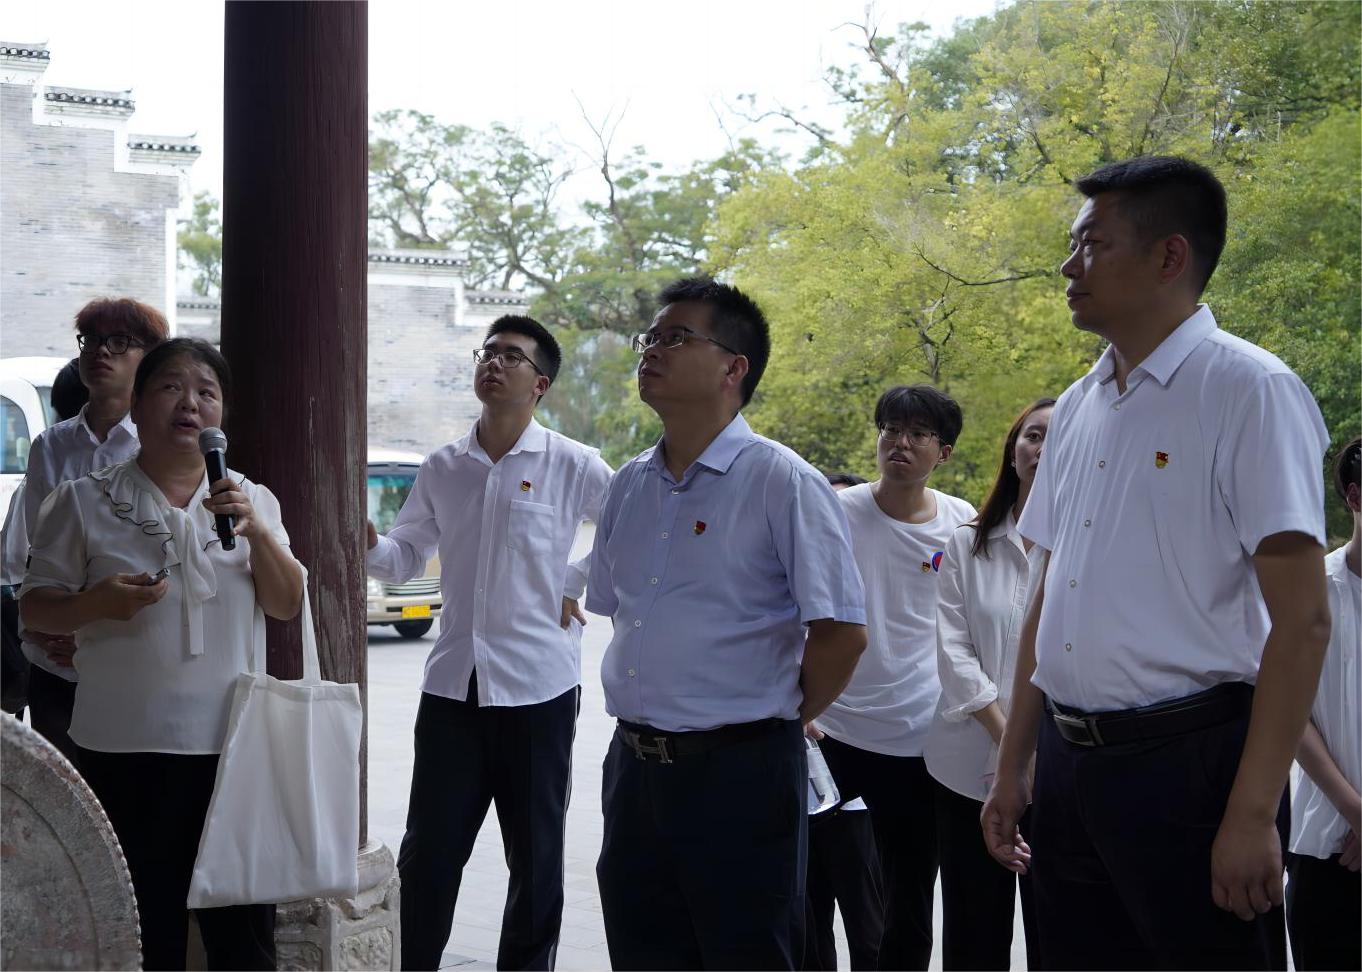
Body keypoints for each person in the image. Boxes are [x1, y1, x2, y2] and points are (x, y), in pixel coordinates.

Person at [981, 156, 1332, 970]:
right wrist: (1013, 766)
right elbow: (1050, 596)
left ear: (1170, 256)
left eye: (1091, 244)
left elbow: (1305, 622)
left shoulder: (1250, 390)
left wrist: (1252, 813)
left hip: (1191, 768)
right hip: (1068, 765)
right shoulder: (1078, 406)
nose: (1068, 266)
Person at [587, 277, 867, 970]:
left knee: (747, 952)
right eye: (650, 337)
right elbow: (620, 611)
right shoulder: (628, 484)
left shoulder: (781, 480)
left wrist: (773, 716)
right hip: (634, 768)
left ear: (733, 368)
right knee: (642, 951)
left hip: (741, 774)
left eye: (676, 337)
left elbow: (842, 631)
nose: (651, 350)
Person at [19, 337, 303, 970]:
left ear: (222, 415)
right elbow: (35, 608)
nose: (190, 404)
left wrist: (259, 534)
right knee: (145, 934)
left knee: (243, 939)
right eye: (172, 387)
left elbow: (286, 604)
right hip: (124, 749)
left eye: (207, 392)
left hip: (233, 750)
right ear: (138, 406)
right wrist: (97, 604)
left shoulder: (253, 501)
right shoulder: (82, 501)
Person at [366, 315, 612, 971]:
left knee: (535, 857)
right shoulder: (444, 466)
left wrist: (573, 580)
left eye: (511, 356)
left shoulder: (574, 463)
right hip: (453, 688)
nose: (493, 363)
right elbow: (405, 555)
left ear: (540, 383)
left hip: (539, 690)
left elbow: (631, 531)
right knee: (429, 852)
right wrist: (368, 542)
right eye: (487, 352)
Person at [812, 384, 976, 971]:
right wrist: (798, 706)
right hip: (831, 730)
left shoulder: (961, 522)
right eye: (891, 430)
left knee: (907, 900)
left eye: (918, 434)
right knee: (806, 891)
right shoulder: (835, 511)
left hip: (919, 740)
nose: (900, 443)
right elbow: (788, 605)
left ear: (944, 452)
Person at [922, 398, 1053, 970]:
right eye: (1033, 436)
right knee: (974, 933)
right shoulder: (967, 542)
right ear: (1013, 449)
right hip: (963, 766)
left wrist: (1026, 755)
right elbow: (953, 652)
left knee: (1059, 931)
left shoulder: (1086, 550)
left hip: (1056, 773)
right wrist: (1011, 746)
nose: (1042, 449)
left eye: (1058, 440)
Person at [21, 300, 167, 761]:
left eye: (120, 342)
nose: (101, 351)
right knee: (58, 788)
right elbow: (31, 546)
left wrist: (88, 630)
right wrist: (48, 624)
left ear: (151, 359)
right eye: (92, 340)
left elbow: (162, 554)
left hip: (129, 656)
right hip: (53, 660)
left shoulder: (161, 446)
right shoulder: (51, 445)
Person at [801, 471, 884, 972]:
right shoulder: (796, 581)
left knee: (869, 926)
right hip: (804, 781)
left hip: (856, 790)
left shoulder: (875, 586)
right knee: (808, 926)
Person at [1286, 436, 1361, 971]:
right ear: (1354, 497)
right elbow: (1290, 714)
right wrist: (1357, 812)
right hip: (1326, 843)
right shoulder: (1313, 590)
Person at [1, 358, 89, 715]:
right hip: (51, 658)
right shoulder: (48, 448)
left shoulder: (51, 452)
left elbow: (12, 564)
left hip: (64, 655)